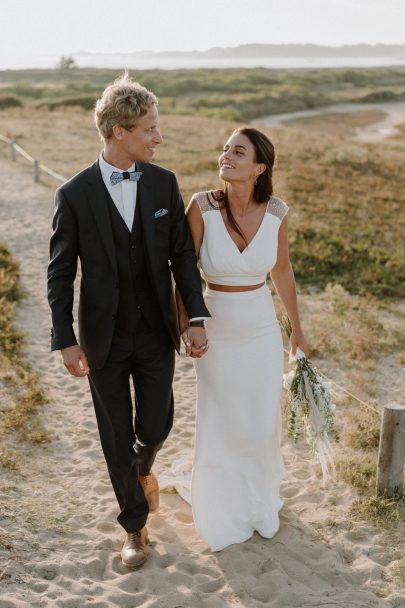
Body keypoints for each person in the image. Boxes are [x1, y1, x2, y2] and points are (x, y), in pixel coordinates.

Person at [47, 73, 210, 568]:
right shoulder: (74, 194)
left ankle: (142, 468)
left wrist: (195, 316)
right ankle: (135, 528)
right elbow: (60, 273)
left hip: (157, 331)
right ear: (119, 131)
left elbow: (182, 256)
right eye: (149, 129)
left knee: (156, 424)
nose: (158, 138)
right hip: (103, 338)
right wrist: (65, 339)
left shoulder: (164, 182)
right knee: (115, 431)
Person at [176, 127, 309, 551]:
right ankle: (221, 505)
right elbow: (182, 271)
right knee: (221, 414)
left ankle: (256, 500)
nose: (226, 156)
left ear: (259, 167)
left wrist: (298, 331)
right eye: (225, 149)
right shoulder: (201, 206)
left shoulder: (276, 212)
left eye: (238, 151)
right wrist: (187, 323)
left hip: (261, 328)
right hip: (215, 326)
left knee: (258, 416)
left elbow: (282, 271)